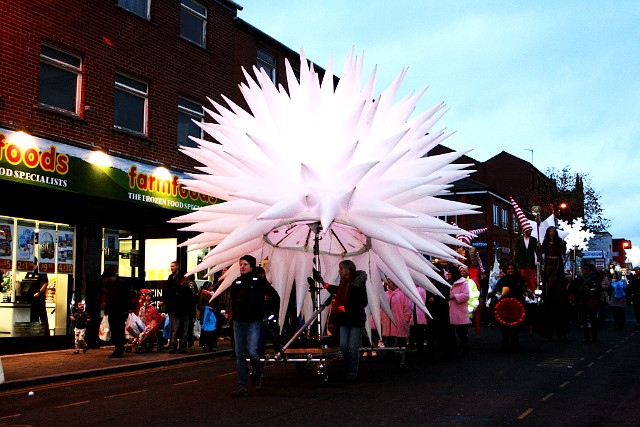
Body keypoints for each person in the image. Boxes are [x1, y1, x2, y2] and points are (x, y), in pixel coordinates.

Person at [229, 255, 275, 397]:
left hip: (253, 321)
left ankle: (258, 371)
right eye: (241, 264)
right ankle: (241, 385)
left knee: (252, 351)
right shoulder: (236, 283)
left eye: (245, 264)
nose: (242, 267)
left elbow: (274, 296)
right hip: (239, 321)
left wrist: (267, 313)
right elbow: (234, 300)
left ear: (252, 266)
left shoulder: (260, 282)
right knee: (240, 354)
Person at [331, 260, 368, 381]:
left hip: (355, 318)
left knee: (352, 345)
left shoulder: (357, 283)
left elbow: (363, 301)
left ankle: (352, 371)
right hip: (344, 318)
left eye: (341, 269)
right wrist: (326, 285)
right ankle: (348, 367)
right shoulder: (343, 283)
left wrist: (346, 307)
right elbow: (338, 292)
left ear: (347, 270)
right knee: (343, 344)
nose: (339, 271)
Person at [540, 226, 569, 339]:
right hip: (548, 264)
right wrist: (539, 247)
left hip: (556, 264)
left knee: (556, 280)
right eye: (550, 231)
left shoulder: (558, 241)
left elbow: (561, 252)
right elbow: (541, 251)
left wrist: (563, 245)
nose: (551, 233)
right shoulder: (546, 241)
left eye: (553, 231)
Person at [492, 262, 528, 348]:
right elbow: (498, 289)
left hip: (517, 303)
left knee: (517, 323)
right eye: (509, 269)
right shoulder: (503, 279)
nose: (510, 270)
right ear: (506, 270)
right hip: (505, 304)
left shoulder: (519, 279)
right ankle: (506, 338)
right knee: (504, 322)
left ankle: (515, 339)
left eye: (512, 269)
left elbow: (524, 289)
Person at [163, 262, 193, 354]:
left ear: (177, 266)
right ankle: (174, 346)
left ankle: (180, 346)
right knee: (175, 329)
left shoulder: (182, 279)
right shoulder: (171, 278)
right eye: (171, 266)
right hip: (176, 308)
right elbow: (168, 293)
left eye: (173, 266)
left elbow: (191, 295)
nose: (171, 268)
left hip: (183, 308)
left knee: (181, 329)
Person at [103, 267, 131, 358]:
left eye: (106, 277)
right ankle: (118, 348)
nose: (105, 279)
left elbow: (126, 298)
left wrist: (125, 310)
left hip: (119, 311)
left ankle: (119, 349)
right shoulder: (111, 284)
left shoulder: (121, 284)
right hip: (113, 311)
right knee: (115, 330)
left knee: (118, 330)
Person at [380, 277, 413, 350]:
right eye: (388, 282)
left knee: (401, 341)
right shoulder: (386, 294)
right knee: (389, 341)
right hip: (388, 323)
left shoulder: (403, 294)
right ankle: (389, 355)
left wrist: (405, 319)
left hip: (400, 322)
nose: (388, 284)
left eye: (390, 282)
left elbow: (408, 307)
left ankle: (401, 356)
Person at [574, 263, 602, 342]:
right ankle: (586, 336)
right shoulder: (581, 278)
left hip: (592, 301)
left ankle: (593, 336)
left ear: (588, 270)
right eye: (582, 270)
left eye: (584, 270)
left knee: (593, 319)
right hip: (583, 301)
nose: (582, 271)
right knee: (584, 319)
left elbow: (597, 288)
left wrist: (589, 289)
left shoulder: (595, 277)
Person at [448, 265, 470, 356]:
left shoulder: (463, 283)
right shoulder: (448, 282)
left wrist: (454, 296)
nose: (448, 274)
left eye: (450, 272)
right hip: (451, 312)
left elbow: (466, 295)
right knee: (451, 334)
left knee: (462, 334)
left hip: (460, 312)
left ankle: (465, 350)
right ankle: (453, 350)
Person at [514, 226, 538, 293]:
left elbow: (537, 251)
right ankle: (523, 293)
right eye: (528, 231)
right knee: (523, 280)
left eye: (530, 231)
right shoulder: (519, 240)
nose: (529, 232)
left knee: (531, 281)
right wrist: (515, 263)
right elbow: (517, 252)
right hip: (522, 264)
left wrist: (539, 247)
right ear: (524, 231)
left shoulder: (534, 240)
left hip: (530, 264)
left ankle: (531, 294)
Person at [29, 260, 50, 336]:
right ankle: (35, 333)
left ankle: (46, 334)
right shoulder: (30, 272)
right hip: (32, 298)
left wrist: (39, 292)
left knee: (42, 315)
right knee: (34, 316)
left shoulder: (41, 271)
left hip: (39, 298)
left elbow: (46, 283)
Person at [197, 281, 217, 352]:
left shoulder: (213, 294)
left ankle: (211, 345)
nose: (212, 288)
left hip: (212, 315)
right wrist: (207, 308)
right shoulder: (203, 294)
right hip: (205, 316)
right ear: (207, 287)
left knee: (212, 331)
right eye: (211, 286)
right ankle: (205, 345)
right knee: (205, 331)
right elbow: (199, 306)